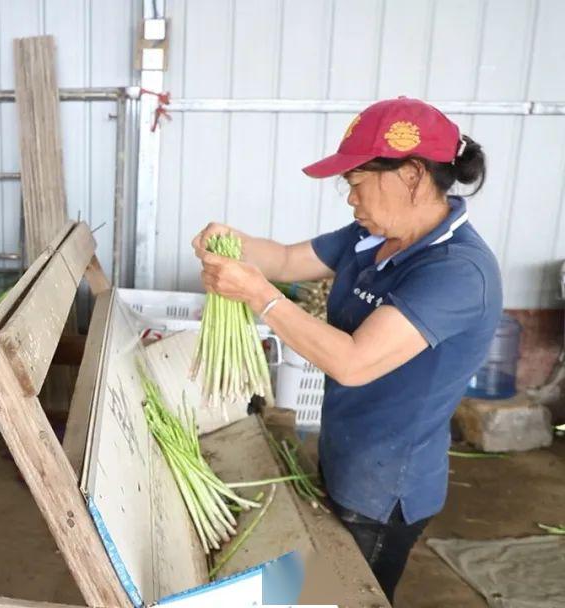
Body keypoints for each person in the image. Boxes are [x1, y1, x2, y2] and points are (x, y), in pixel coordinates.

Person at [192, 97, 502, 601]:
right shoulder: (372, 237)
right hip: (345, 457)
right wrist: (234, 244)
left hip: (384, 492)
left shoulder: (458, 272)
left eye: (357, 184)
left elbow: (353, 362)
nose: (350, 199)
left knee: (345, 595)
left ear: (411, 175)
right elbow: (290, 260)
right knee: (312, 588)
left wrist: (257, 295)